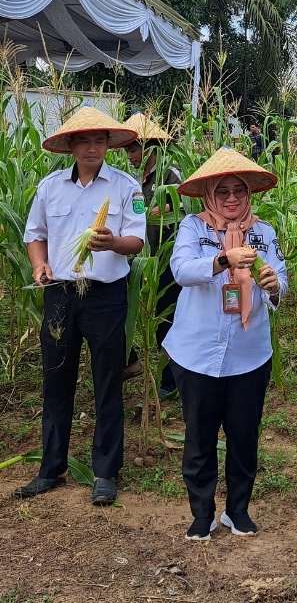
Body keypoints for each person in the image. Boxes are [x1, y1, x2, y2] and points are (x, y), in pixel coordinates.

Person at [15, 107, 144, 506]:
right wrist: (40, 265)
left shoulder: (126, 188)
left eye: (100, 140)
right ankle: (50, 468)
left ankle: (105, 472)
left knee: (107, 382)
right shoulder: (50, 187)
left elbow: (138, 242)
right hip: (60, 294)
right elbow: (34, 236)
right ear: (71, 145)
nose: (93, 147)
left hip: (106, 296)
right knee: (56, 381)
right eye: (85, 140)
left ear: (108, 146)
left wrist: (112, 243)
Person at [163, 147, 287, 541]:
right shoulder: (192, 228)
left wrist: (274, 286)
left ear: (249, 193)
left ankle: (238, 510)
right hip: (197, 353)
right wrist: (222, 259)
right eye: (223, 191)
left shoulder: (264, 233)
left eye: (238, 190)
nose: (232, 198)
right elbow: (181, 270)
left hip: (249, 354)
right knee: (199, 437)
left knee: (244, 435)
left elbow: (281, 280)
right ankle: (202, 514)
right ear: (209, 195)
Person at [121, 113, 183, 397]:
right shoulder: (138, 181)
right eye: (128, 149)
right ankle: (131, 360)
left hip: (168, 257)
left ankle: (171, 380)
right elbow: (139, 214)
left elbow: (178, 206)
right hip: (144, 257)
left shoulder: (171, 173)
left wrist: (148, 214)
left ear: (151, 147)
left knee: (167, 317)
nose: (131, 155)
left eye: (134, 148)